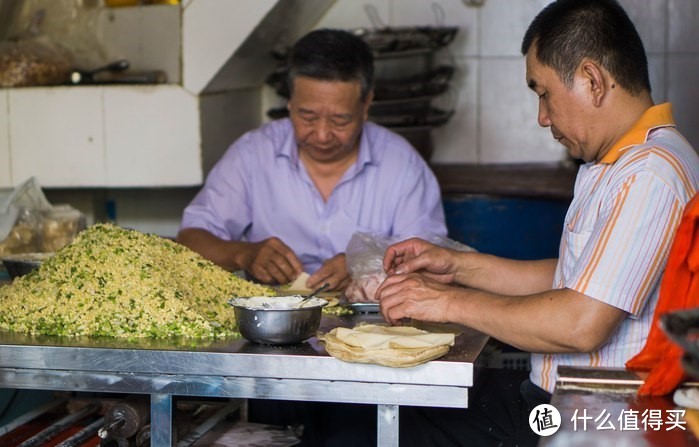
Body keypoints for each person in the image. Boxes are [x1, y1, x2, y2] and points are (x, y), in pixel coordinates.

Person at [305, 1, 699, 446]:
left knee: (350, 427)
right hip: (557, 401)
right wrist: (456, 267)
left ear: (592, 80)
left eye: (543, 92)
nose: (542, 117)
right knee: (351, 414)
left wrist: (447, 302)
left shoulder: (649, 175)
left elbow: (580, 322)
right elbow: (578, 279)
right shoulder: (619, 162)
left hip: (598, 422)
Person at [177, 28, 446, 292]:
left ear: (366, 106)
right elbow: (191, 239)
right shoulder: (252, 154)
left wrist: (364, 266)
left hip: (377, 326)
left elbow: (433, 263)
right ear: (290, 103)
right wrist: (244, 254)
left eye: (340, 120)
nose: (322, 134)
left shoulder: (403, 167)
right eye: (308, 117)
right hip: (273, 325)